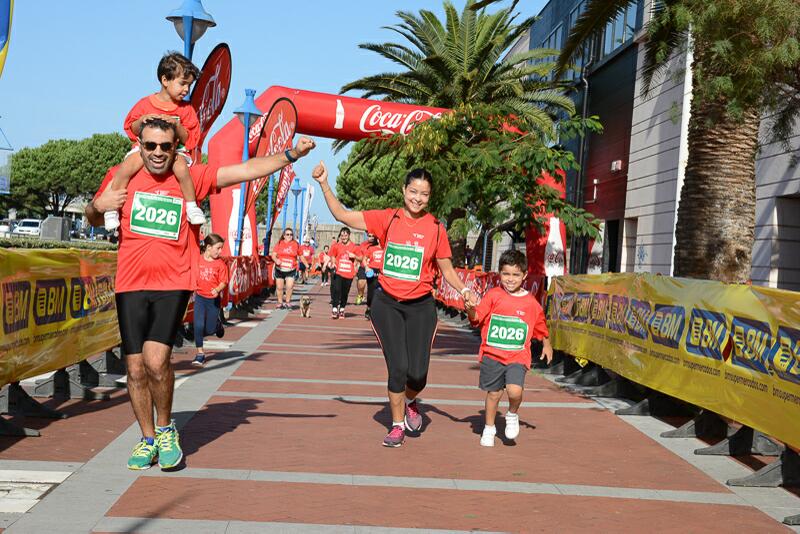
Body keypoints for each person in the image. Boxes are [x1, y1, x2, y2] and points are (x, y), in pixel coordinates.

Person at [85, 117, 316, 470]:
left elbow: (244, 170)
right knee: (134, 368)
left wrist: (289, 155)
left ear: (175, 148)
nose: (158, 153)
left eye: (166, 146)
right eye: (151, 146)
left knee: (157, 361)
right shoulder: (123, 174)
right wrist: (98, 206)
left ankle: (165, 429)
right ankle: (146, 439)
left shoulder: (189, 177)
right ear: (140, 146)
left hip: (173, 282)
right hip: (130, 283)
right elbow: (94, 216)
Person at [311, 162, 478, 447]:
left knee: (418, 375)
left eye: (424, 194)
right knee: (398, 368)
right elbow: (342, 215)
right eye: (413, 191)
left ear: (430, 196)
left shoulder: (436, 229)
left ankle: (411, 400)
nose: (417, 198)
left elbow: (447, 269)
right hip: (387, 303)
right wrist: (325, 183)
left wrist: (464, 290)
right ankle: (397, 424)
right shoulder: (387, 219)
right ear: (404, 191)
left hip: (421, 306)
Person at [105, 52, 204, 231]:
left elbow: (191, 139)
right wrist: (142, 120)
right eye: (182, 83)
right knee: (126, 167)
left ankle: (191, 206)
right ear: (165, 80)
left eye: (189, 85)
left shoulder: (186, 110)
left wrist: (176, 125)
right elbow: (130, 128)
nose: (186, 90)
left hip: (175, 152)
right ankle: (111, 208)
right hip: (145, 150)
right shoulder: (145, 104)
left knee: (181, 168)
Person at [466, 249, 552, 446]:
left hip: (517, 356)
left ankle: (512, 413)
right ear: (499, 274)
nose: (510, 279)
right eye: (506, 274)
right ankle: (489, 428)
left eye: (515, 275)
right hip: (492, 355)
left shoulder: (531, 303)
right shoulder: (493, 295)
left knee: (515, 392)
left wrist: (547, 344)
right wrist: (470, 309)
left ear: (524, 276)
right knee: (494, 394)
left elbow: (540, 325)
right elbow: (477, 317)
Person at [192, 233, 228, 367]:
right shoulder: (198, 260)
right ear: (208, 247)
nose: (220, 251)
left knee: (209, 329)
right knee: (198, 326)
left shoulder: (220, 264)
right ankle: (200, 354)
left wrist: (218, 289)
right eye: (218, 248)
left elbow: (224, 281)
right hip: (200, 298)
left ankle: (217, 325)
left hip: (213, 300)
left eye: (221, 248)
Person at [327, 227, 361, 319]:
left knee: (345, 292)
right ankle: (334, 308)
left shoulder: (354, 247)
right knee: (336, 289)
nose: (343, 237)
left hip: (349, 274)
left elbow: (361, 258)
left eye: (345, 235)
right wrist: (333, 263)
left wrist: (354, 256)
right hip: (338, 272)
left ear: (349, 235)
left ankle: (342, 309)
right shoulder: (336, 245)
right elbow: (333, 255)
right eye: (342, 235)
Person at [271, 228, 300, 309]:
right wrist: (276, 260)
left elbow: (300, 255)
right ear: (284, 236)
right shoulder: (279, 243)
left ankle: (287, 302)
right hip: (280, 269)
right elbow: (273, 255)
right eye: (287, 234)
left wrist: (306, 265)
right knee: (279, 287)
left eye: (291, 234)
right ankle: (280, 302)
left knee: (289, 286)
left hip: (291, 269)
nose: (289, 236)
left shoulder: (296, 244)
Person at [363, 232, 384, 320]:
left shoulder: (387, 249)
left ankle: (378, 310)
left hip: (383, 272)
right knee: (371, 291)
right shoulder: (371, 248)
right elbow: (364, 260)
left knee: (382, 292)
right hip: (372, 271)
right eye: (379, 238)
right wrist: (367, 267)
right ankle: (369, 307)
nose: (380, 240)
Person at [354, 236, 369, 305]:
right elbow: (359, 257)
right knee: (361, 284)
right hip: (363, 267)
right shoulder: (363, 245)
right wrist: (355, 265)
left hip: (374, 267)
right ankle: (360, 295)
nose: (371, 237)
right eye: (369, 235)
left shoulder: (379, 244)